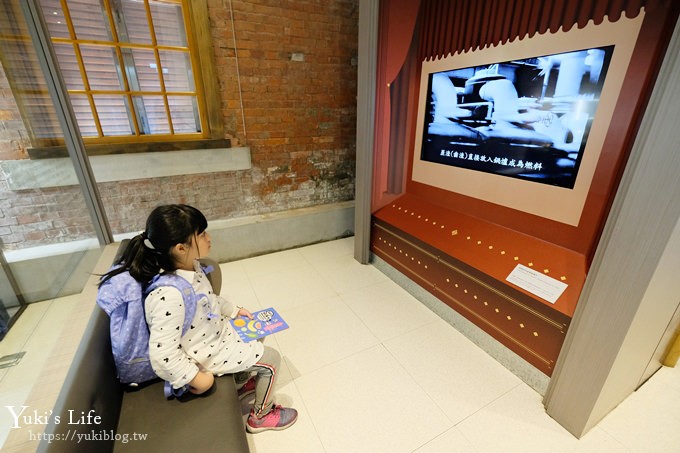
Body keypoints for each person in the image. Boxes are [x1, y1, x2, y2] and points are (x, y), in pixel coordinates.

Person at [99, 204, 297, 433]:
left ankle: (241, 381)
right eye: (202, 234)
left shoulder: (191, 268)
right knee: (272, 360)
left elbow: (207, 300)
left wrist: (233, 311)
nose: (209, 237)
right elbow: (162, 355)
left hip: (214, 333)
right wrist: (198, 379)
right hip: (205, 352)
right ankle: (261, 416)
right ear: (181, 248)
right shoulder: (168, 296)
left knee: (257, 330)